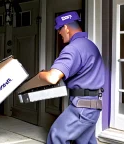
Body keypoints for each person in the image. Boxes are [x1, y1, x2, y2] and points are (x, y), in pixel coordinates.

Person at [38, 11, 105, 144]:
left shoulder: (73, 49)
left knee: (56, 135)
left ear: (66, 28)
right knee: (85, 141)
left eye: (59, 29)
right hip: (93, 105)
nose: (59, 33)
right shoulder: (91, 46)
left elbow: (52, 77)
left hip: (82, 106)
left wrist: (41, 74)